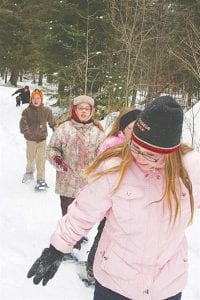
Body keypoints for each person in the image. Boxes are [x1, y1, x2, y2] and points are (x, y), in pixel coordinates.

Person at [27, 95, 200, 300]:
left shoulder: (191, 169)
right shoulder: (115, 167)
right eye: (135, 146)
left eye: (150, 155)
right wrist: (57, 248)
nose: (138, 156)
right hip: (115, 283)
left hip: (166, 285)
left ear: (170, 152)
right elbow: (84, 211)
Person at [86, 107, 142, 283]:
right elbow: (100, 173)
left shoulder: (142, 147)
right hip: (111, 202)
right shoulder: (111, 145)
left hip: (130, 204)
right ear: (122, 129)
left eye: (138, 128)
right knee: (104, 234)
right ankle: (91, 267)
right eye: (131, 128)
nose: (135, 132)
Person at [46, 95, 105, 248]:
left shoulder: (98, 133)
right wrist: (57, 159)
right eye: (80, 108)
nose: (84, 112)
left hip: (87, 183)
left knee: (83, 214)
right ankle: (67, 244)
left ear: (92, 111)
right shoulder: (64, 129)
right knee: (67, 213)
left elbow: (104, 155)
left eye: (87, 109)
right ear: (74, 109)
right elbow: (52, 148)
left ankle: (77, 237)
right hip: (67, 181)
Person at [19, 89, 56, 190]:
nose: (36, 100)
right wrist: (26, 132)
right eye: (34, 98)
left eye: (38, 98)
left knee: (41, 160)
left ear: (41, 99)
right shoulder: (27, 111)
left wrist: (56, 131)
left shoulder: (47, 111)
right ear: (31, 99)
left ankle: (41, 180)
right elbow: (23, 123)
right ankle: (29, 172)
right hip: (31, 139)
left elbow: (53, 123)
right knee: (30, 158)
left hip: (42, 140)